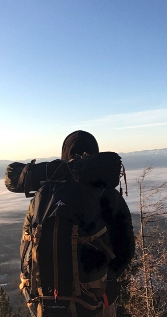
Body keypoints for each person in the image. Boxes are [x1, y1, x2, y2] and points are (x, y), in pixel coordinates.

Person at [22, 130, 135, 317]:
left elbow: (26, 244)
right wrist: (105, 287)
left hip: (47, 303)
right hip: (95, 302)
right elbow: (126, 249)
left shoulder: (42, 196)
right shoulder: (107, 194)